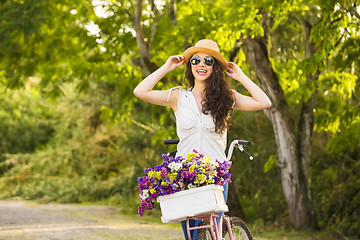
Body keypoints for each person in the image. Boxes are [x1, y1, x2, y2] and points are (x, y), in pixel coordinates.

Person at [133, 39, 271, 240]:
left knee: (214, 232)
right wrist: (167, 67)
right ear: (190, 66)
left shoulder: (227, 98)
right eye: (195, 60)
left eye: (208, 61)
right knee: (192, 235)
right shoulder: (179, 96)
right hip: (185, 174)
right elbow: (140, 91)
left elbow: (264, 102)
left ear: (215, 67)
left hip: (214, 173)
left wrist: (241, 76)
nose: (201, 65)